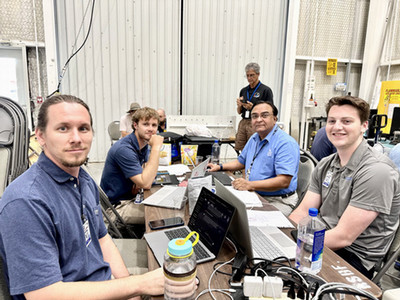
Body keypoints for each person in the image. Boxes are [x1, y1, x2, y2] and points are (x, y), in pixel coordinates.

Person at [0, 94, 164, 299]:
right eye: (63, 128)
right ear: (40, 136)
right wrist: (138, 285)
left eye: (83, 128)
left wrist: (131, 291)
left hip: (101, 283)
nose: (76, 138)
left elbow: (103, 240)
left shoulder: (82, 178)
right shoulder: (25, 201)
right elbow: (42, 294)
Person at [289, 96, 400, 279]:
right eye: (332, 121)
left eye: (347, 121)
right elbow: (302, 212)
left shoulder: (377, 171)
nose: (337, 127)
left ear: (364, 126)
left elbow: (344, 237)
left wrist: (298, 245)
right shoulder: (326, 164)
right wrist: (283, 235)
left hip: (353, 257)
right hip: (317, 239)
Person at [209, 101, 299, 216]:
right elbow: (241, 162)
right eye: (255, 116)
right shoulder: (254, 138)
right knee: (221, 208)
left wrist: (250, 185)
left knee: (242, 220)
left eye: (264, 115)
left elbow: (284, 181)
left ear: (275, 119)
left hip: (278, 200)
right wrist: (219, 167)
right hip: (255, 194)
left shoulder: (285, 143)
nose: (259, 119)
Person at [101, 107, 164, 225]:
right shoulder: (124, 149)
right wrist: (156, 148)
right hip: (116, 207)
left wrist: (141, 180)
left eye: (154, 125)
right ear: (135, 125)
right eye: (146, 124)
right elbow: (146, 183)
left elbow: (145, 170)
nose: (151, 129)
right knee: (159, 214)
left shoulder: (143, 143)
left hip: (131, 197)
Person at [235, 62, 274, 152]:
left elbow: (270, 110)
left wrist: (253, 108)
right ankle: (241, 165)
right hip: (244, 121)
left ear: (258, 74)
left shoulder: (265, 90)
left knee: (254, 147)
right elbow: (239, 112)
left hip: (256, 122)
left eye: (252, 75)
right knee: (239, 147)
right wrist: (239, 105)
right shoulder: (244, 90)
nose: (249, 78)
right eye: (247, 76)